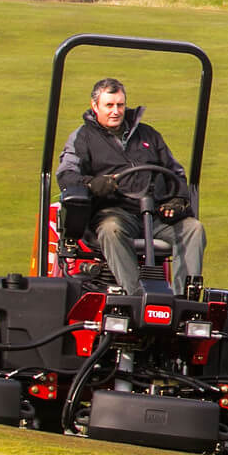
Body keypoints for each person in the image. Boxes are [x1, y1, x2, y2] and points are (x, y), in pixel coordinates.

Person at [56, 76, 206, 297]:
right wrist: (92, 183)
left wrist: (178, 199)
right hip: (115, 212)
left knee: (194, 229)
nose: (116, 111)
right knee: (111, 230)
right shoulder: (83, 137)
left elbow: (176, 174)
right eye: (109, 105)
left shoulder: (148, 135)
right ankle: (137, 297)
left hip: (154, 215)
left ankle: (184, 299)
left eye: (120, 105)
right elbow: (66, 175)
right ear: (95, 106)